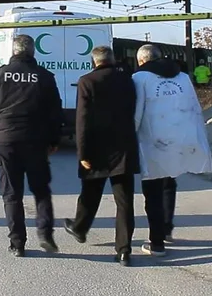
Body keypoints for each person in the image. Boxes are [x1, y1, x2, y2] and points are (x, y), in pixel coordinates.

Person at [0, 34, 64, 257]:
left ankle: (18, 243)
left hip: (6, 141)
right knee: (41, 190)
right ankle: (46, 235)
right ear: (33, 52)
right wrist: (54, 140)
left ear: (13, 51)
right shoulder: (44, 76)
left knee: (11, 194)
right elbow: (55, 113)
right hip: (36, 140)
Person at [133, 46, 212, 256]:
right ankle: (166, 228)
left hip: (154, 141)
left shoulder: (140, 77)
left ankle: (157, 241)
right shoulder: (183, 77)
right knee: (169, 184)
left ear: (141, 61)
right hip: (180, 137)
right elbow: (194, 107)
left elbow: (138, 111)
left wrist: (129, 135)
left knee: (153, 191)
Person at [63, 46, 140, 267]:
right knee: (124, 202)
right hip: (123, 147)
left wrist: (83, 152)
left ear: (93, 61)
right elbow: (133, 109)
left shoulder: (87, 81)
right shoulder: (127, 80)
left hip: (96, 149)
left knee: (90, 192)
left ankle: (79, 228)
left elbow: (82, 119)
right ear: (113, 59)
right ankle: (124, 251)